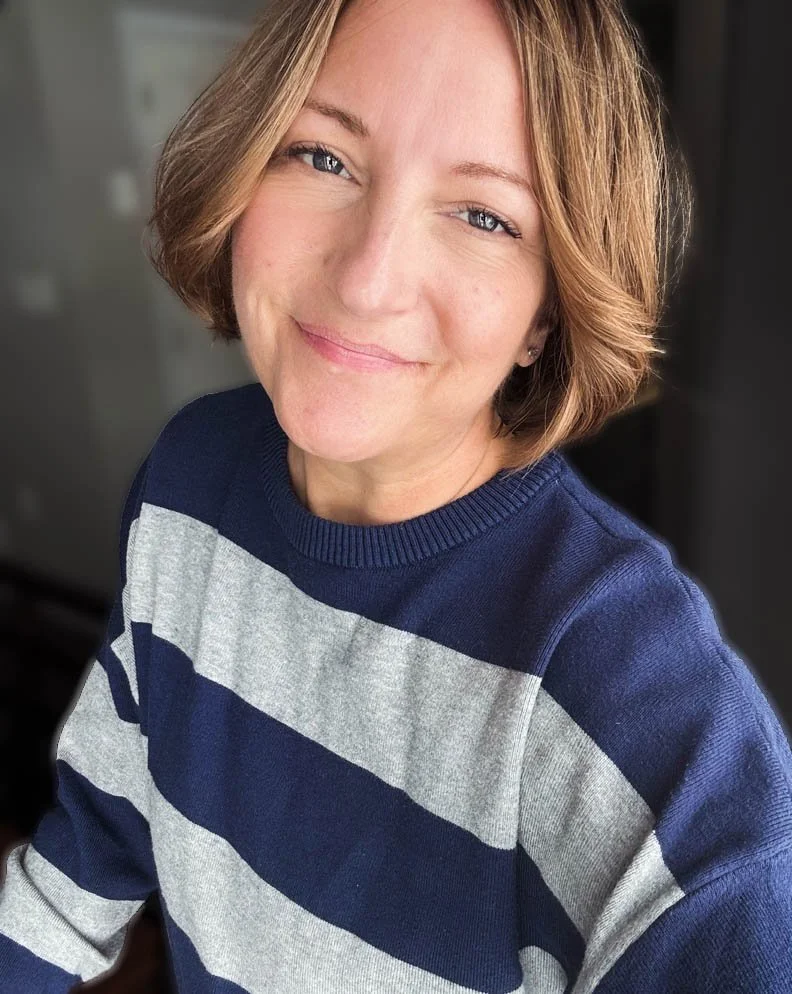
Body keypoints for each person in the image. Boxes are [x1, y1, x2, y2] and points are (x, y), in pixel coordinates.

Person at [1, 0, 790, 990]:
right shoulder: (186, 485)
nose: (369, 280)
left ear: (548, 313)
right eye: (323, 156)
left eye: (483, 216)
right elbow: (95, 845)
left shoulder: (629, 705)